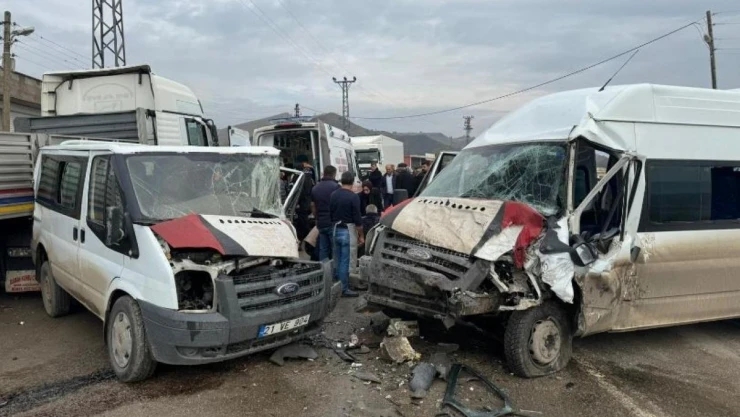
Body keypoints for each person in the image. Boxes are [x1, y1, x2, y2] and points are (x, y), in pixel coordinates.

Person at [330, 171, 365, 297]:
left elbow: (330, 212)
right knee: (346, 261)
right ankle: (344, 288)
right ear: (352, 181)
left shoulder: (333, 194)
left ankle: (336, 284)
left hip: (335, 229)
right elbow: (357, 219)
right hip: (348, 230)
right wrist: (361, 235)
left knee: (337, 259)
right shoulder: (353, 197)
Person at [311, 165, 339, 261]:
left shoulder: (315, 188)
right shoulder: (336, 187)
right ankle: (334, 269)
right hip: (332, 222)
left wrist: (316, 218)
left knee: (323, 249)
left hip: (321, 222)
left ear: (324, 173)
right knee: (334, 249)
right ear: (334, 174)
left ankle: (324, 268)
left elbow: (313, 206)